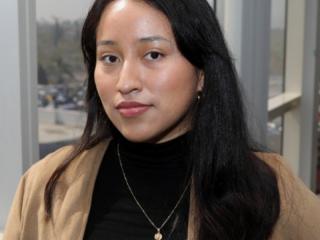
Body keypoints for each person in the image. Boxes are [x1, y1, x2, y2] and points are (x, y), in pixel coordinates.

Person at [3, 0, 320, 239]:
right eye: (109, 58)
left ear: (202, 73)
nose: (125, 82)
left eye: (153, 54)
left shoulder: (270, 189)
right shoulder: (46, 186)